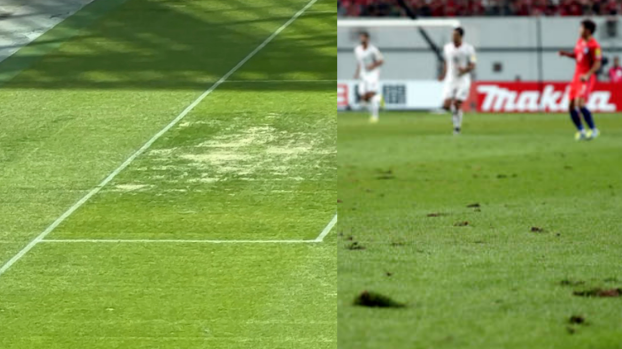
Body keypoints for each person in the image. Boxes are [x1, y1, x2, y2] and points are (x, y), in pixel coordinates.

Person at [558, 19, 601, 140]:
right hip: (576, 77)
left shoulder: (594, 45)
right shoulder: (580, 42)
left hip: (585, 77)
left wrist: (587, 75)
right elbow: (578, 56)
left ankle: (593, 130)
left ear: (587, 30)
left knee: (580, 103)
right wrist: (566, 54)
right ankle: (581, 131)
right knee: (571, 105)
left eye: (581, 27)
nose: (579, 30)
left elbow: (597, 63)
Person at [439, 27, 476, 135]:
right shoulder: (447, 48)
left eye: (455, 35)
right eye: (452, 35)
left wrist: (465, 70)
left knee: (456, 103)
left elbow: (473, 64)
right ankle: (455, 114)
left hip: (463, 79)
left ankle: (457, 127)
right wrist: (443, 74)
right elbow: (446, 62)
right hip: (451, 79)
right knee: (446, 105)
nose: (453, 37)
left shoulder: (469, 49)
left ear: (461, 36)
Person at [354, 31, 384, 123]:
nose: (361, 39)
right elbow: (360, 63)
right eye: (360, 37)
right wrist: (357, 73)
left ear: (367, 39)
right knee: (363, 97)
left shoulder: (373, 50)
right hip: (364, 74)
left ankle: (375, 116)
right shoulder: (357, 50)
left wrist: (372, 65)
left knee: (371, 94)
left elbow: (381, 61)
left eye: (363, 37)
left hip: (373, 74)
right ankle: (379, 98)